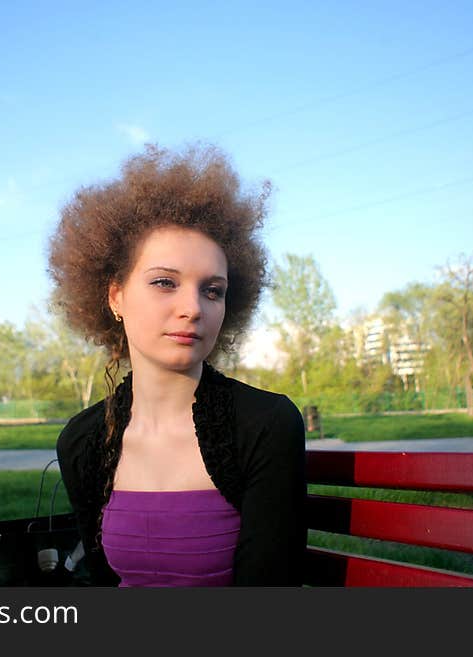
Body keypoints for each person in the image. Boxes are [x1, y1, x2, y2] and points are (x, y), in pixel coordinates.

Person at [48, 144, 306, 587]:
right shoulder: (83, 441)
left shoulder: (266, 425)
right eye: (165, 282)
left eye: (212, 290)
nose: (192, 308)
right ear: (115, 296)